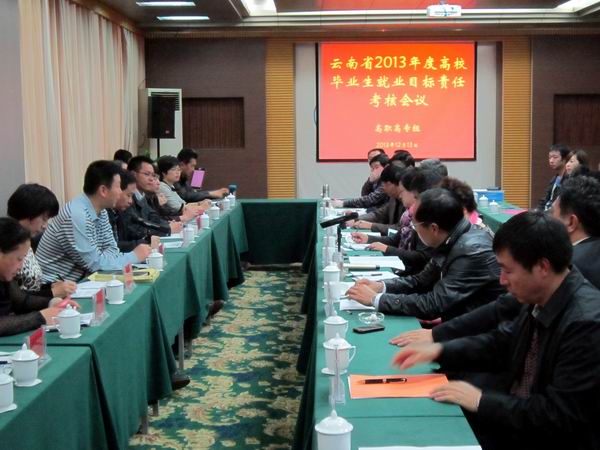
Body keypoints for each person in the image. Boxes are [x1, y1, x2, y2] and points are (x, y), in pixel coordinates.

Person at [393, 211, 600, 449]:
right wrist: (440, 350)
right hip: (518, 416)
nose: (502, 280)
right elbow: (503, 341)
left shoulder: (586, 324)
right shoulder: (541, 292)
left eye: (507, 270)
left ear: (542, 267)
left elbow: (558, 414)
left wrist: (480, 401)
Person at [392, 175, 600, 348]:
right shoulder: (580, 255)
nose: (503, 280)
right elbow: (504, 309)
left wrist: (440, 337)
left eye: (551, 212)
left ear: (571, 222)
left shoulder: (571, 266)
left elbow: (512, 326)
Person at [348, 188, 504, 321]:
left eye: (415, 226)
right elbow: (421, 280)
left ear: (434, 228)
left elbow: (434, 304)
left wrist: (376, 299)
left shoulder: (470, 251)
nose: (414, 230)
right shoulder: (451, 236)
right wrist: (381, 286)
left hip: (479, 333)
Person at [36, 160, 153, 282]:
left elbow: (112, 248)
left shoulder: (101, 211)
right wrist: (133, 256)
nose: (120, 192)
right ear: (103, 190)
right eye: (118, 186)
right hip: (53, 286)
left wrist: (104, 260)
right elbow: (95, 265)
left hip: (81, 281)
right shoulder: (77, 215)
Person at [0, 218, 79, 337]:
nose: (21, 267)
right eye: (19, 259)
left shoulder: (5, 276)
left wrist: (51, 303)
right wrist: (40, 317)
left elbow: (21, 301)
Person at [352, 167, 432, 275]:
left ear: (414, 193)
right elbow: (395, 239)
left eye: (402, 191)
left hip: (411, 273)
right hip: (402, 267)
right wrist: (368, 238)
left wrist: (387, 249)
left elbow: (421, 257)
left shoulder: (424, 217)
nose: (400, 195)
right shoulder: (408, 214)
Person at [7, 184, 76, 298]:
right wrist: (52, 293)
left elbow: (30, 285)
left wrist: (50, 286)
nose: (45, 226)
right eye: (44, 219)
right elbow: (15, 297)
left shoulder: (26, 240)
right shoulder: (8, 243)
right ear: (29, 213)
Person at [107, 170, 161, 253]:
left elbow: (134, 232)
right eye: (128, 195)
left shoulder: (121, 211)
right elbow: (112, 246)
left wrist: (148, 237)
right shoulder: (105, 213)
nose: (131, 201)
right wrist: (144, 242)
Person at [126, 156, 181, 236]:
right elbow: (136, 230)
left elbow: (154, 217)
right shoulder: (127, 199)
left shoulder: (143, 196)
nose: (151, 179)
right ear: (133, 174)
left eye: (153, 175)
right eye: (147, 174)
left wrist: (167, 225)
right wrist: (167, 229)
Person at [346, 164, 405, 235]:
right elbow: (378, 215)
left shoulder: (409, 203)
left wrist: (371, 226)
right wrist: (357, 220)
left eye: (384, 185)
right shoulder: (393, 198)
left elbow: (400, 229)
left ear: (392, 184)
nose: (384, 189)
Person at [537, 144, 569, 210]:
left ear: (564, 159)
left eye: (555, 157)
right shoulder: (554, 179)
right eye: (549, 157)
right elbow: (546, 199)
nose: (551, 161)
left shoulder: (569, 180)